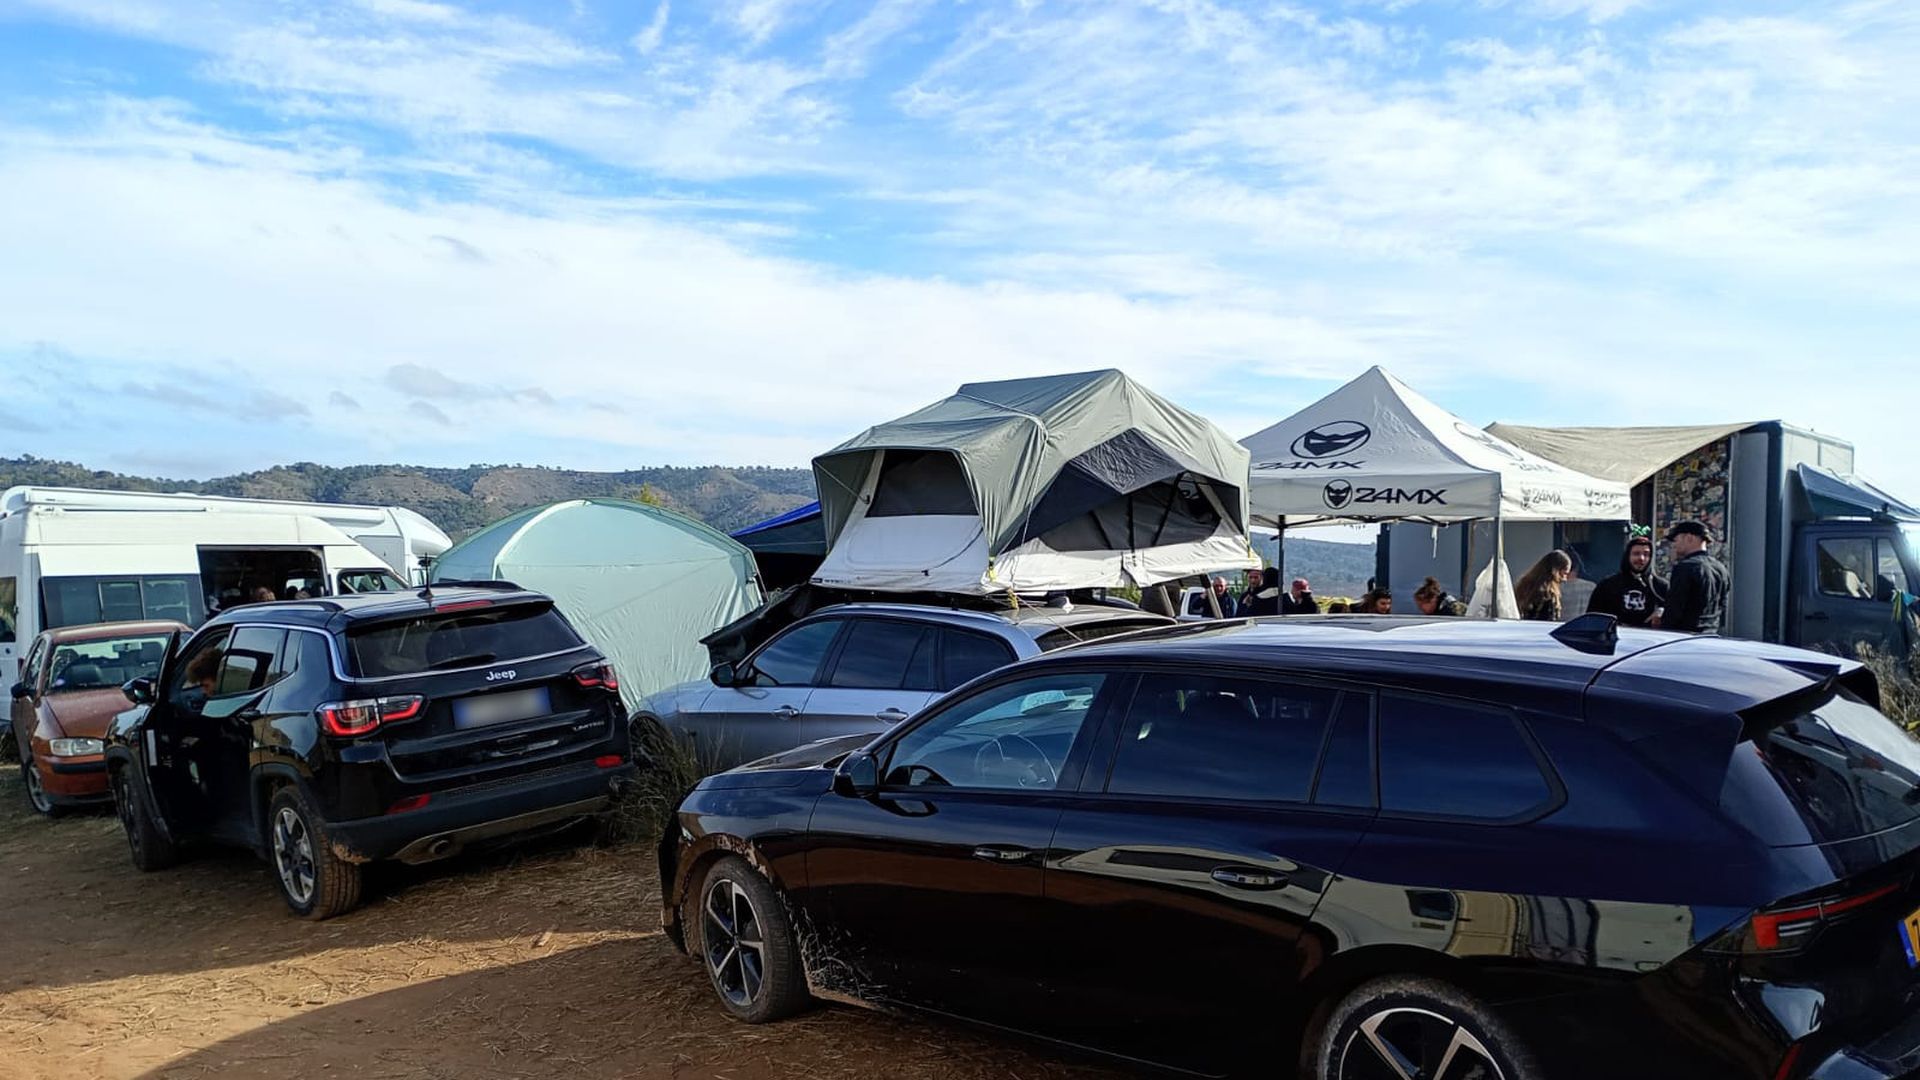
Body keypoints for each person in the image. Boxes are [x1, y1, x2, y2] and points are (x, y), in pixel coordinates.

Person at [1588, 529, 1668, 628]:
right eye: (1636, 553)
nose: (1641, 558)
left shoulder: (1659, 587)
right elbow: (1593, 618)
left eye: (1646, 554)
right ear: (1627, 556)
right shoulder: (1608, 585)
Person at [1662, 521, 1730, 634]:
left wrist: (1664, 630)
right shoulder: (1721, 568)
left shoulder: (1685, 568)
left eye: (1676, 540)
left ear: (1689, 538)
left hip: (1683, 636)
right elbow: (1722, 605)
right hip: (1711, 634)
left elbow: (1674, 609)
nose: (1674, 545)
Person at [1515, 550, 1574, 621]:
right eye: (1564, 573)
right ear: (1555, 570)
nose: (1565, 579)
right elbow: (1549, 621)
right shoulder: (1549, 594)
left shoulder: (1525, 585)